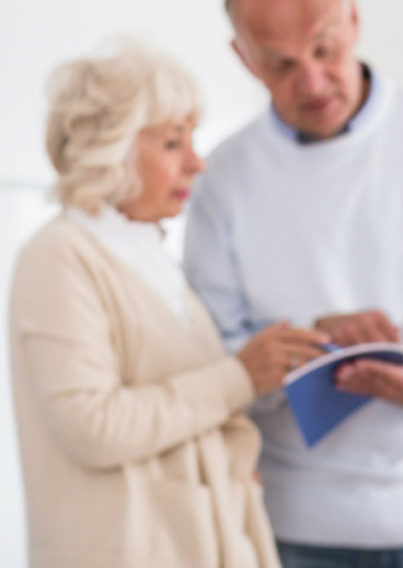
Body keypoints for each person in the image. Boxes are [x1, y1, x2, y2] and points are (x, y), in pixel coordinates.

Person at [182, 0, 403, 566]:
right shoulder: (222, 178)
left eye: (324, 49)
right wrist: (304, 346)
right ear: (243, 58)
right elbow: (212, 359)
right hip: (298, 526)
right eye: (280, 65)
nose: (312, 82)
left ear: (352, 18)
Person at [7, 40, 328, 568]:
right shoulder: (57, 257)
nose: (198, 164)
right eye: (174, 143)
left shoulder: (147, 252)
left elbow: (182, 400)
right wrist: (240, 377)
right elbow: (93, 427)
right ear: (111, 147)